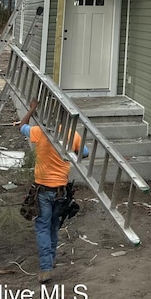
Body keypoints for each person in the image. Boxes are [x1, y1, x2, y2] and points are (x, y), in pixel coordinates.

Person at [16, 98, 88, 283]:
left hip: (42, 189)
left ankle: (46, 267)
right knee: (54, 226)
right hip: (61, 191)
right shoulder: (72, 135)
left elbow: (22, 126)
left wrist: (32, 110)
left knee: (42, 227)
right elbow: (85, 152)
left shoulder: (40, 132)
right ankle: (51, 260)